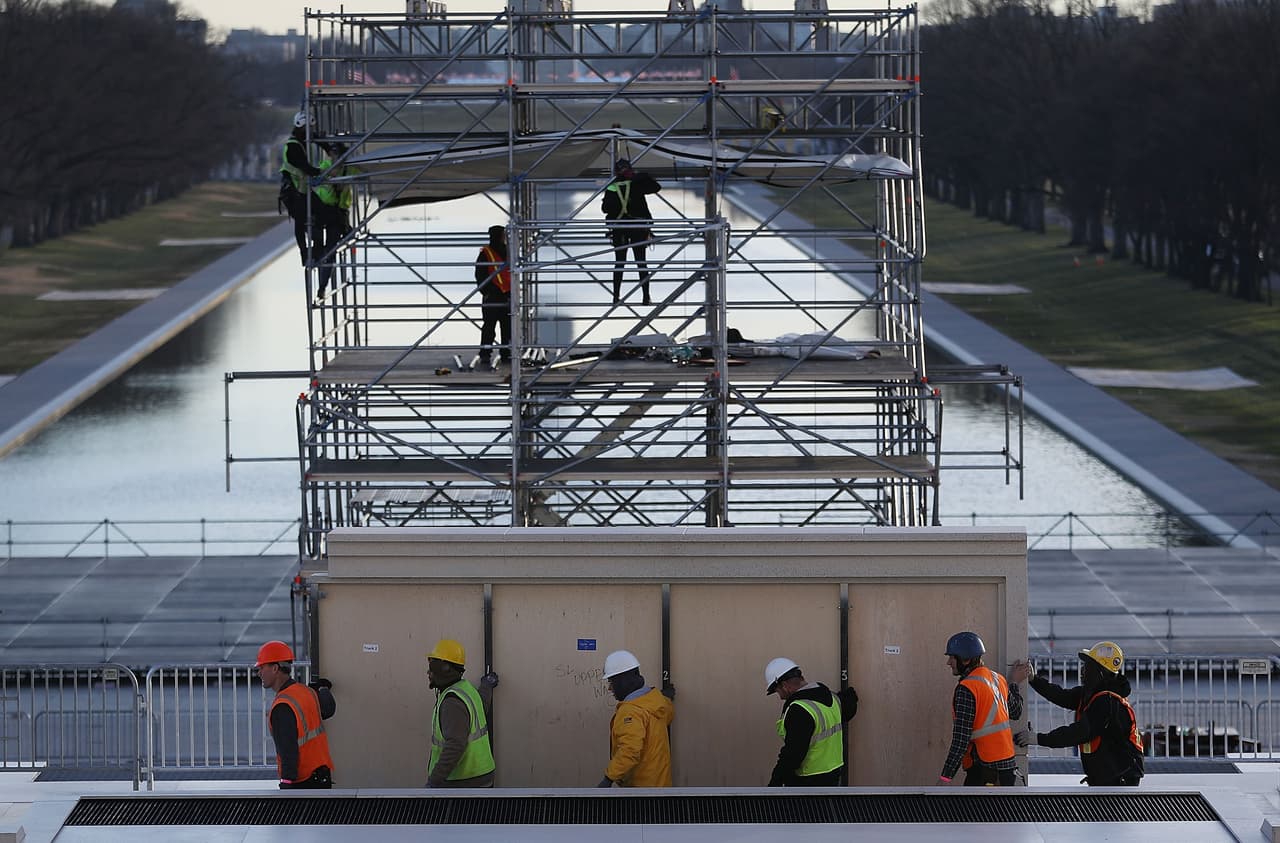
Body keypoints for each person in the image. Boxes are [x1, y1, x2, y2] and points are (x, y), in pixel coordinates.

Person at [1013, 641, 1144, 786]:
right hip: (1109, 778)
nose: (1082, 670)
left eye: (1087, 666)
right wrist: (1033, 679)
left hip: (1120, 780)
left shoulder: (1107, 702)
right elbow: (1061, 695)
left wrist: (1038, 739)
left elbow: (1079, 732)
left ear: (1099, 671)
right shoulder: (1092, 694)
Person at [937, 630, 1022, 786]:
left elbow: (961, 739)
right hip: (1006, 769)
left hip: (986, 771)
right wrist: (1014, 683)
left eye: (952, 657)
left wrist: (945, 778)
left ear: (965, 660)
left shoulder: (967, 688)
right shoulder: (997, 679)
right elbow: (1016, 711)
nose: (948, 662)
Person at [764, 657, 859, 786]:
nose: (780, 697)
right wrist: (851, 697)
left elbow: (793, 754)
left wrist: (774, 784)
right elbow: (848, 710)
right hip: (833, 773)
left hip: (808, 781)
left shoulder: (799, 710)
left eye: (777, 691)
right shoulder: (832, 698)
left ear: (785, 686)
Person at [256, 639, 336, 789]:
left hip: (303, 783)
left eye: (262, 667)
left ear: (275, 668)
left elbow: (288, 751)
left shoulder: (283, 706)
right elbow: (329, 709)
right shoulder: (307, 692)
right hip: (322, 776)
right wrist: (323, 688)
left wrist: (286, 785)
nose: (259, 672)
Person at [426, 638, 499, 788]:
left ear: (445, 668)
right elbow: (482, 705)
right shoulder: (466, 689)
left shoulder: (452, 702)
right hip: (481, 775)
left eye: (432, 666)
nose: (428, 672)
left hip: (464, 783)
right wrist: (487, 685)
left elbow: (455, 745)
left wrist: (433, 783)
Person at [598, 649, 674, 788]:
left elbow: (630, 750)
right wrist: (667, 696)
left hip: (640, 792)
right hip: (661, 787)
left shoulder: (631, 711)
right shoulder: (656, 702)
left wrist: (608, 779)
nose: (610, 688)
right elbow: (667, 713)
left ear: (622, 682)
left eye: (611, 682)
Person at [601, 158, 661, 305]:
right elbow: (656, 187)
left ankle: (616, 297)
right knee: (641, 262)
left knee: (620, 262)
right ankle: (646, 296)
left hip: (619, 228)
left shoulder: (612, 186)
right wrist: (643, 176)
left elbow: (605, 209)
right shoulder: (637, 183)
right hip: (638, 227)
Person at [278, 111, 325, 272]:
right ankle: (306, 254)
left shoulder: (301, 142)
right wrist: (320, 172)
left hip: (302, 189)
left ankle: (317, 251)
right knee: (302, 221)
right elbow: (303, 166)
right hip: (294, 192)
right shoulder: (293, 146)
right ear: (300, 127)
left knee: (317, 215)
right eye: (307, 129)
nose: (310, 132)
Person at [312, 141, 355, 299]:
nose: (333, 158)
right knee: (319, 249)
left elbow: (364, 171)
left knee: (330, 252)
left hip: (338, 215)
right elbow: (315, 174)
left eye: (337, 155)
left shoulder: (349, 169)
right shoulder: (324, 166)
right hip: (322, 211)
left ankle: (322, 287)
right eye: (332, 154)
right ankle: (314, 259)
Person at [474, 225, 512, 371]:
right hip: (493, 296)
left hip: (507, 295)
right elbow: (480, 274)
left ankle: (506, 352)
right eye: (503, 235)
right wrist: (487, 291)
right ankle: (485, 353)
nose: (504, 238)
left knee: (507, 326)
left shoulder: (508, 251)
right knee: (489, 327)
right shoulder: (486, 253)